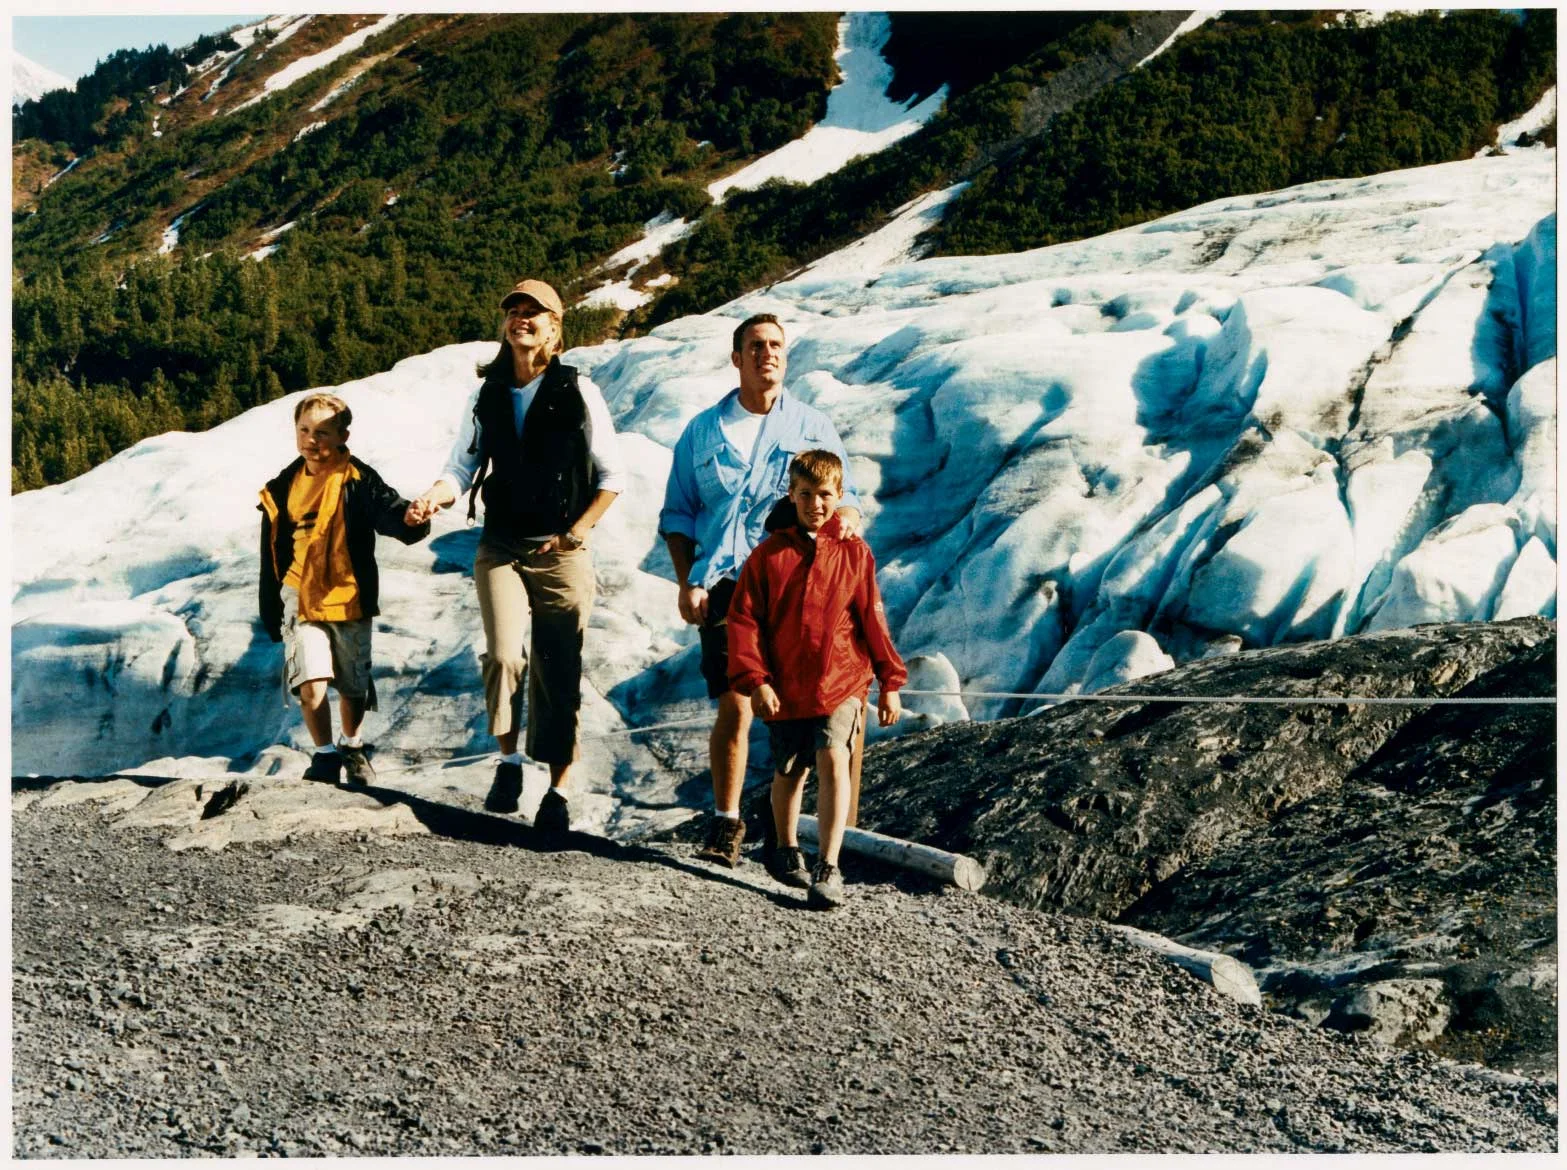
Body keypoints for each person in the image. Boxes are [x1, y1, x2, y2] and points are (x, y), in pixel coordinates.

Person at [404, 278, 625, 832]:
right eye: (514, 312)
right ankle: (507, 761)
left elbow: (611, 474)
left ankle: (557, 792)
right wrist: (436, 495)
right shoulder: (489, 393)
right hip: (501, 542)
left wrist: (577, 533)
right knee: (504, 655)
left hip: (560, 546)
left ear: (555, 327)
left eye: (534, 313)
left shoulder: (579, 390)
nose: (521, 319)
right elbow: (464, 465)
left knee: (559, 666)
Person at [659, 313, 863, 868]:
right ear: (736, 357)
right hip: (726, 584)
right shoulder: (703, 431)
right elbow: (678, 513)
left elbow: (847, 499)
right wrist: (687, 581)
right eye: (754, 346)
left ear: (786, 357)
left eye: (775, 345)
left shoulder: (813, 426)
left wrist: (846, 521)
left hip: (795, 586)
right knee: (736, 701)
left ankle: (789, 839)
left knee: (801, 707)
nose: (765, 354)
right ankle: (727, 823)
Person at [726, 449, 905, 907]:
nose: (816, 504)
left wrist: (890, 681)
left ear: (840, 497)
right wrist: (757, 680)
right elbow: (744, 621)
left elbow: (872, 618)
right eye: (806, 494)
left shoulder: (855, 553)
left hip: (842, 679)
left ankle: (828, 864)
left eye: (825, 495)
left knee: (833, 758)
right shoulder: (769, 556)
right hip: (785, 685)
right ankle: (785, 850)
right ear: (791, 495)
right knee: (790, 770)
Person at [259, 393, 430, 785]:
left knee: (352, 686)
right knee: (310, 680)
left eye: (322, 432)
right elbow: (273, 547)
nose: (311, 439)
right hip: (299, 592)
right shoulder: (282, 486)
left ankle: (350, 745)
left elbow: (392, 515)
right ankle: (322, 757)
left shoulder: (357, 478)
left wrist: (412, 519)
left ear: (342, 435)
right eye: (304, 430)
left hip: (347, 596)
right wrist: (271, 601)